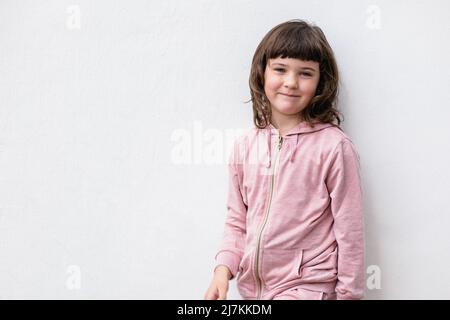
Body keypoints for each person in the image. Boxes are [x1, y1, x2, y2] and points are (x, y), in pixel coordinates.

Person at [204, 19, 365, 300]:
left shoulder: (334, 148)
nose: (291, 82)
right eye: (280, 69)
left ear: (320, 83)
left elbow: (350, 230)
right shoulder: (245, 147)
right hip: (254, 291)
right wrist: (222, 270)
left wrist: (349, 295)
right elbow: (237, 221)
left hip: (308, 287)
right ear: (262, 73)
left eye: (305, 73)